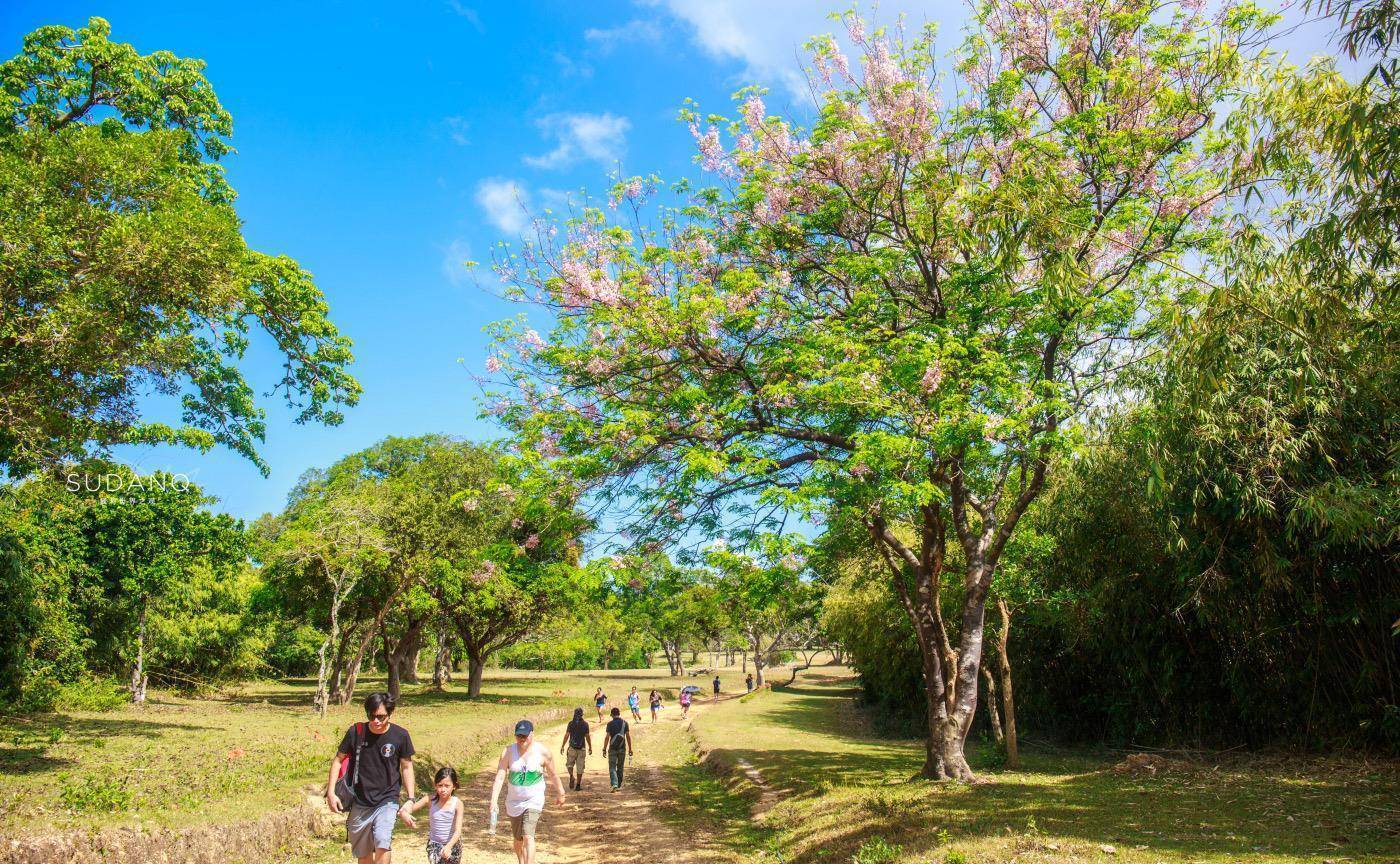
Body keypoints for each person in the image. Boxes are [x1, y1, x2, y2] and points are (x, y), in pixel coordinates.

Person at [325, 692, 416, 864]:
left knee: (382, 840)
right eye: (372, 716)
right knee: (364, 853)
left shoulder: (400, 735)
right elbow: (338, 760)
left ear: (390, 714)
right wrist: (331, 793)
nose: (376, 721)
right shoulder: (356, 732)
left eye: (381, 717)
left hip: (387, 799)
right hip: (360, 801)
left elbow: (406, 766)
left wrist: (411, 798)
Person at [489, 719, 566, 864]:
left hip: (533, 800)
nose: (521, 739)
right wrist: (493, 801)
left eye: (525, 736)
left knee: (528, 835)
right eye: (519, 736)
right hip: (514, 802)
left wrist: (561, 792)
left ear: (532, 734)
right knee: (518, 840)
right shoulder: (508, 752)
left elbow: (553, 774)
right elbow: (500, 777)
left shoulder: (543, 752)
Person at [400, 767, 462, 864]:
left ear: (454, 786)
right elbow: (409, 809)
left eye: (447, 786)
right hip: (434, 845)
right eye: (440, 785)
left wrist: (449, 846)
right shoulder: (429, 800)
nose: (443, 789)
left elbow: (458, 831)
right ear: (435, 785)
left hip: (453, 844)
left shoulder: (458, 804)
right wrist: (404, 812)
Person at [559, 707, 592, 791]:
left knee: (569, 765)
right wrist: (590, 747)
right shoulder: (585, 724)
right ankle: (578, 785)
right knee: (580, 767)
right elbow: (587, 736)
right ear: (581, 715)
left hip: (572, 748)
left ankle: (571, 776)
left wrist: (563, 745)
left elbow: (567, 735)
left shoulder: (571, 724)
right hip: (581, 749)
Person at [602, 707, 633, 792]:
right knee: (620, 766)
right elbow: (628, 736)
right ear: (619, 714)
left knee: (612, 767)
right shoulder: (625, 723)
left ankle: (614, 784)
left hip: (612, 748)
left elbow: (607, 737)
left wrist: (604, 749)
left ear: (612, 715)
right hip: (622, 748)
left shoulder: (610, 724)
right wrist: (630, 749)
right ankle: (618, 785)